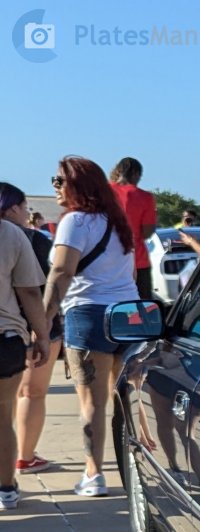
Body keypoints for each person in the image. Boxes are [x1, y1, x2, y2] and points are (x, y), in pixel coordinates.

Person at [41, 156, 139, 497]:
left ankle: (94, 476)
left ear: (77, 186)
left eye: (58, 181)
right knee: (129, 402)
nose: (54, 187)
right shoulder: (117, 221)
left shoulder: (75, 222)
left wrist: (43, 320)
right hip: (128, 316)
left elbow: (61, 273)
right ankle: (139, 473)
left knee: (92, 404)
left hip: (89, 315)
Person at [0, 183, 63, 473]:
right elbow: (34, 290)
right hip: (18, 331)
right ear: (12, 208)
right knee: (29, 396)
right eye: (25, 207)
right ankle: (20, 464)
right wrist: (43, 331)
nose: (27, 213)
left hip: (14, 332)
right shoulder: (29, 239)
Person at [0, 212, 48, 509]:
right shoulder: (11, 233)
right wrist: (41, 335)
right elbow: (29, 291)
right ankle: (5, 490)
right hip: (5, 337)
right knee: (3, 417)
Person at [109, 157, 157, 300]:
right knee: (142, 308)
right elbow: (147, 232)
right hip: (137, 260)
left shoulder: (103, 192)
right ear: (136, 174)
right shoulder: (145, 197)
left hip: (107, 261)